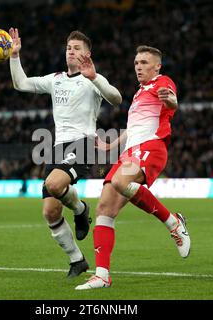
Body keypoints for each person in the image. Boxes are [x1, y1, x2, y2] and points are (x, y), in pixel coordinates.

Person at [8, 28, 122, 278]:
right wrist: (14, 56)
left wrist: (94, 78)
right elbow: (21, 84)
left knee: (54, 183)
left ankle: (81, 210)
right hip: (58, 147)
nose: (71, 51)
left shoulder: (92, 79)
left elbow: (116, 98)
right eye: (69, 47)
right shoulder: (55, 78)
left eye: (77, 48)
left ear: (87, 54)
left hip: (82, 144)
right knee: (50, 211)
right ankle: (77, 259)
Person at [75, 45, 191, 290]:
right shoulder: (139, 93)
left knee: (120, 182)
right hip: (130, 151)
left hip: (151, 147)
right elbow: (133, 129)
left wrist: (172, 101)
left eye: (144, 62)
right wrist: (111, 146)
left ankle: (173, 223)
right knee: (104, 209)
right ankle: (102, 275)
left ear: (157, 66)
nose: (139, 66)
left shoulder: (163, 82)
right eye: (137, 62)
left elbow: (171, 100)